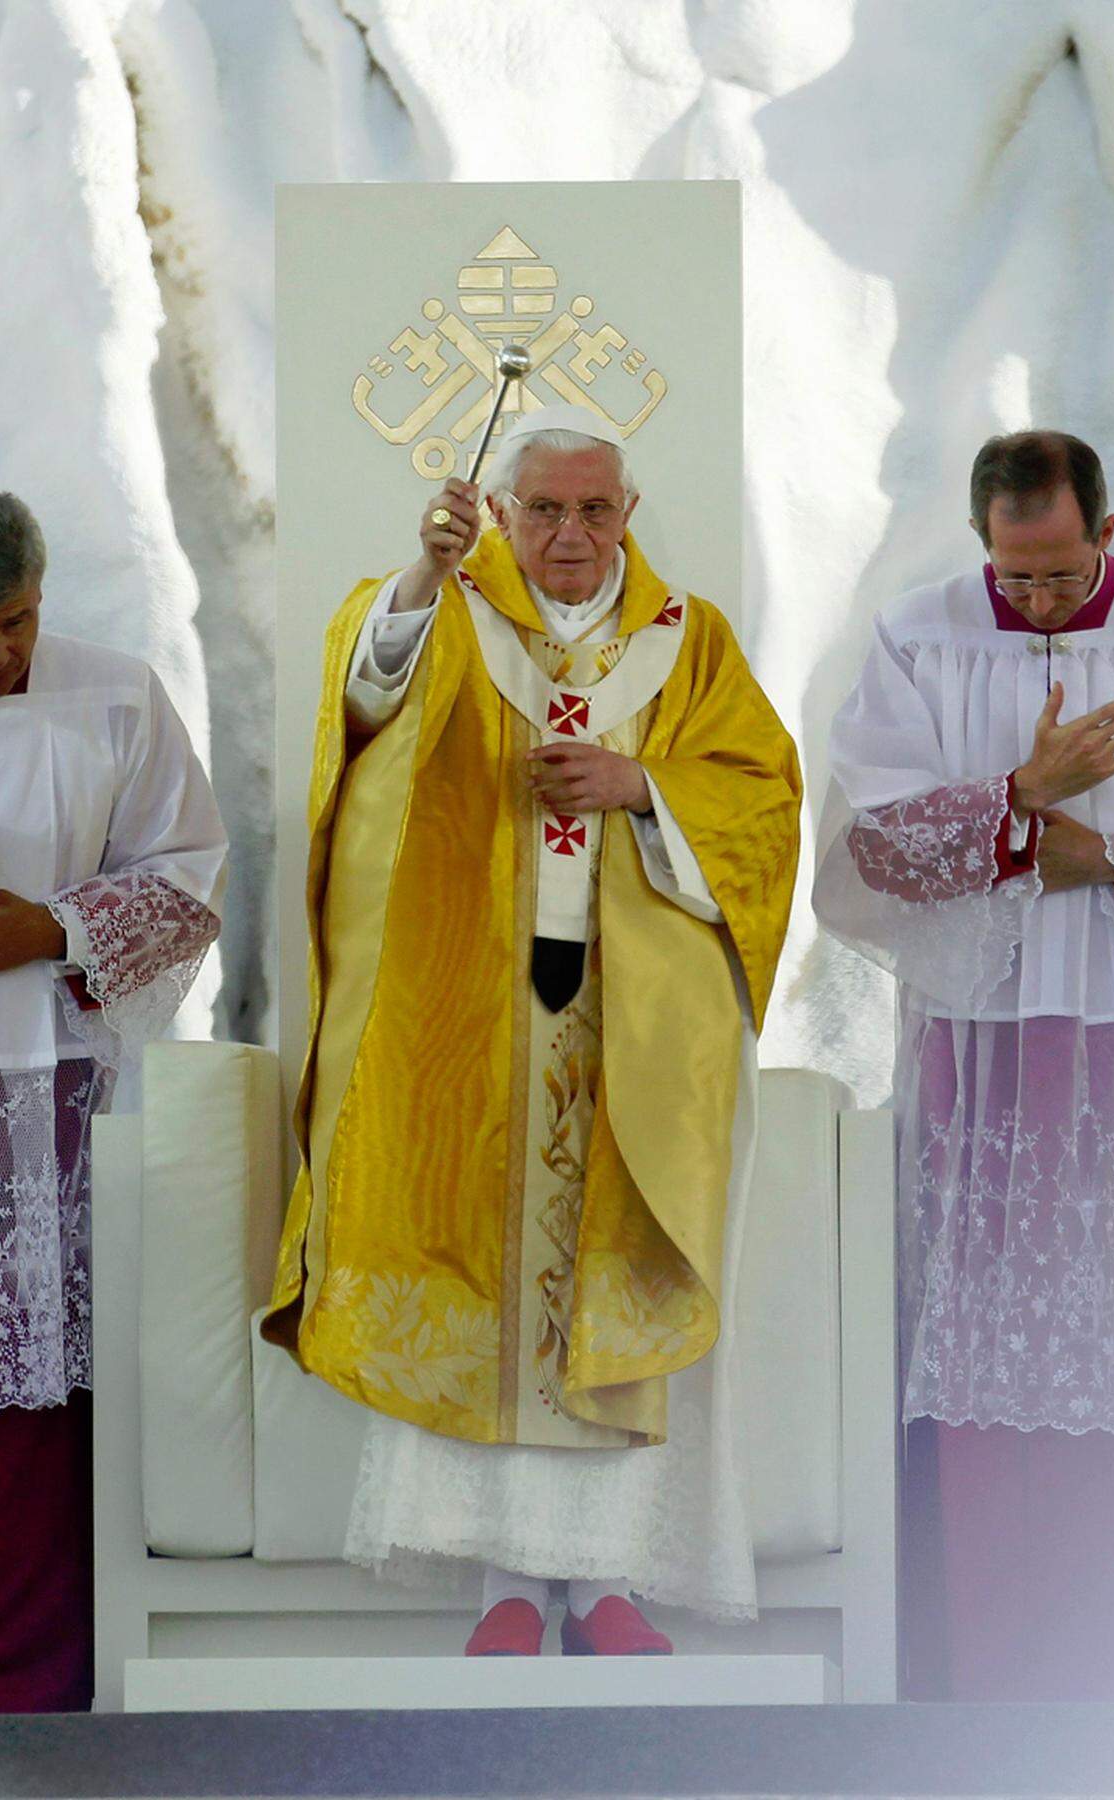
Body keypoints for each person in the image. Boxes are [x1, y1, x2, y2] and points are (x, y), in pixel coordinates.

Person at [264, 404, 800, 1655]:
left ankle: (607, 1585)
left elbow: (765, 802)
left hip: (631, 1020)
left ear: (628, 513)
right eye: (544, 508)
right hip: (465, 1009)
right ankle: (502, 1587)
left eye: (595, 509)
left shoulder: (689, 640)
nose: (570, 533)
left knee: (606, 1280)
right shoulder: (442, 602)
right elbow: (364, 696)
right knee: (481, 1276)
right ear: (501, 511)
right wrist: (423, 572)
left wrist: (643, 786)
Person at [814, 429, 1114, 1700]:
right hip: (984, 1039)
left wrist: (1096, 858)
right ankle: (997, 1686)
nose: (1040, 601)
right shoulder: (918, 632)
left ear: (1104, 530)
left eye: (1061, 572)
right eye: (1017, 575)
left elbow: (1075, 854)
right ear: (982, 538)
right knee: (995, 1353)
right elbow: (871, 840)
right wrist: (1015, 802)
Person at [0, 484, 228, 1711]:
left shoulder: (112, 693)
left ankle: (34, 1714)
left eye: (19, 623)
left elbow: (189, 873)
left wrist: (53, 926)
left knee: (33, 1416)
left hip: (42, 1120)